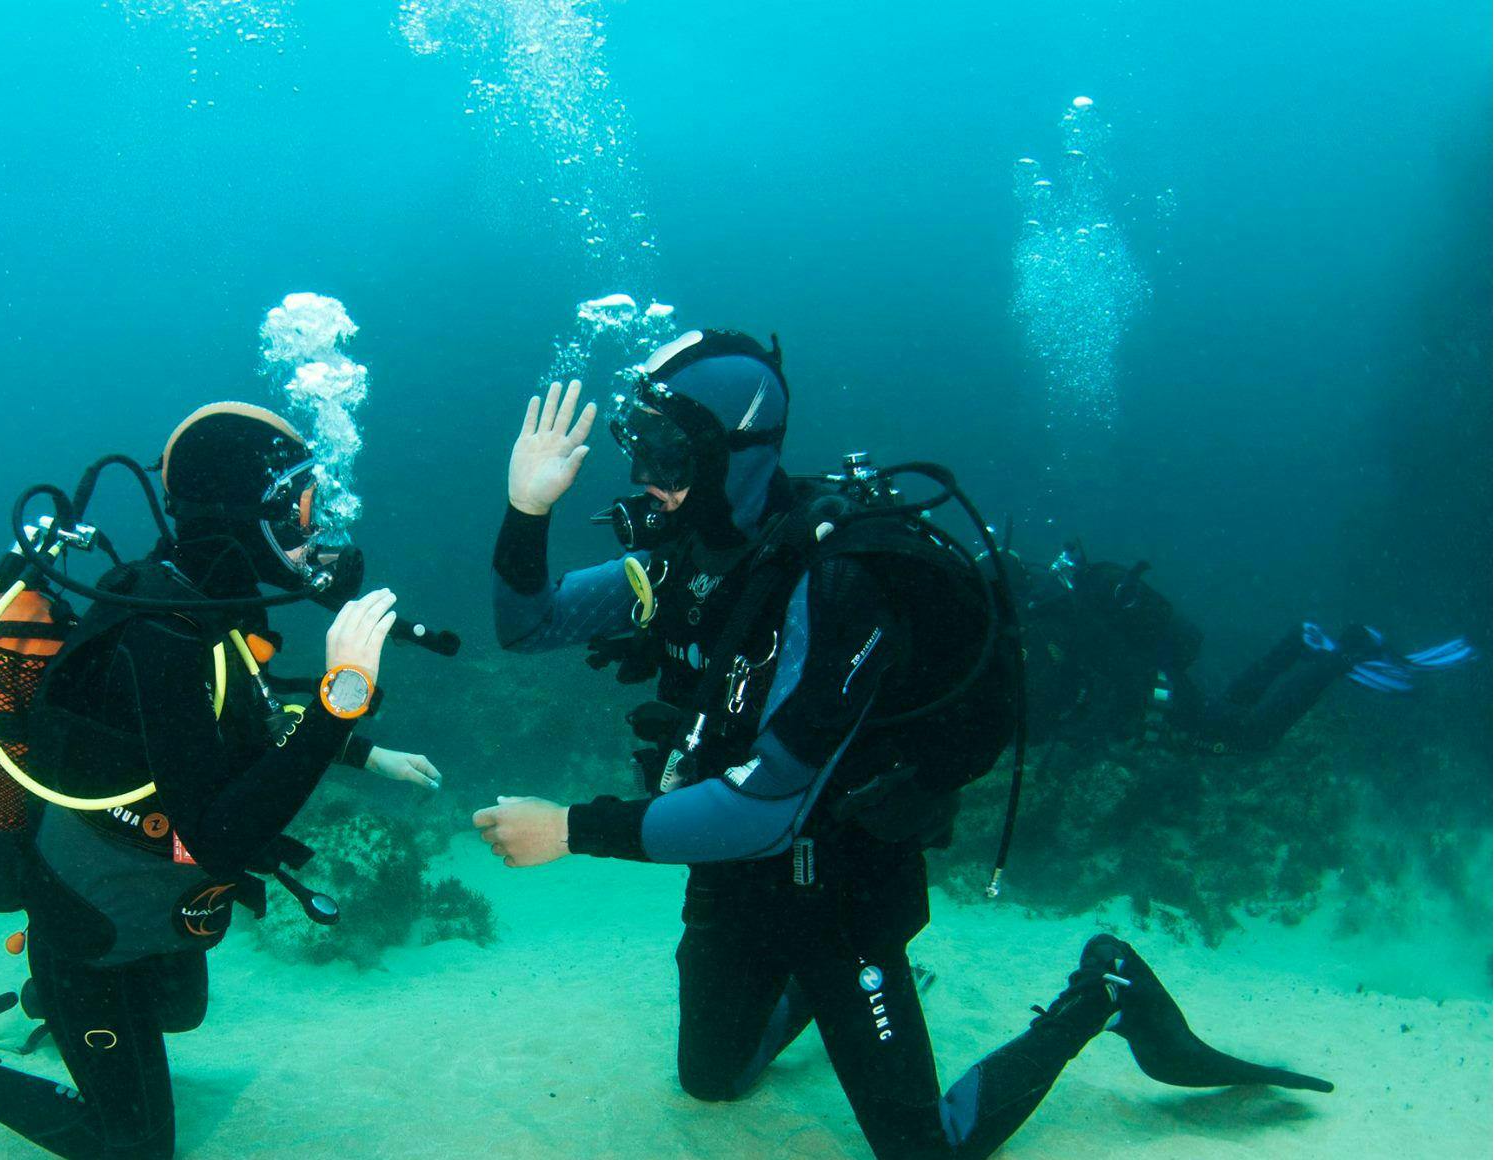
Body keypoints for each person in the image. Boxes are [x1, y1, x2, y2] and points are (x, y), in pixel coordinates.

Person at [471, 333, 1332, 1159]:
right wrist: (527, 508)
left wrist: (573, 829)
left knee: (923, 1152)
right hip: (730, 871)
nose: (644, 481)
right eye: (638, 448)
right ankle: (825, 1000)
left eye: (666, 454)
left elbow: (766, 809)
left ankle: (1101, 991)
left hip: (840, 885)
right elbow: (528, 623)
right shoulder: (682, 562)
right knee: (712, 1080)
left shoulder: (841, 579)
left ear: (733, 451)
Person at [0, 402, 442, 1158]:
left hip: (151, 899)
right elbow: (221, 838)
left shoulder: (206, 610)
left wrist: (360, 750)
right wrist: (341, 698)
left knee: (181, 1011)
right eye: (297, 510)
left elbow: (243, 720)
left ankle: (59, 1013)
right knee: (135, 1149)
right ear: (239, 515)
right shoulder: (159, 632)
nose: (313, 532)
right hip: (90, 926)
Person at [1020, 543, 1476, 754]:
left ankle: (1341, 658)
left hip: (1151, 690)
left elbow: (1068, 696)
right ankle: (1296, 643)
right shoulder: (1052, 613)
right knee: (1225, 709)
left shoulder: (1045, 625)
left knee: (1250, 737)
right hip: (1155, 680)